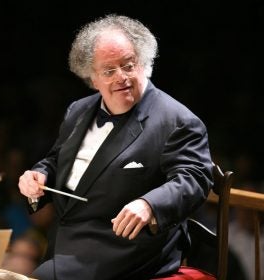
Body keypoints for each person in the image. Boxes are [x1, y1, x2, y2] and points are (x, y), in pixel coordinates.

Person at [18, 14, 213, 280]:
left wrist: (149, 205)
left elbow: (195, 177)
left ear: (143, 63)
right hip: (61, 243)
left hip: (125, 248)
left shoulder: (177, 120)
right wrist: (39, 175)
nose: (121, 77)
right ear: (92, 78)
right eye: (109, 71)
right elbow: (55, 160)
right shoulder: (78, 110)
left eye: (128, 65)